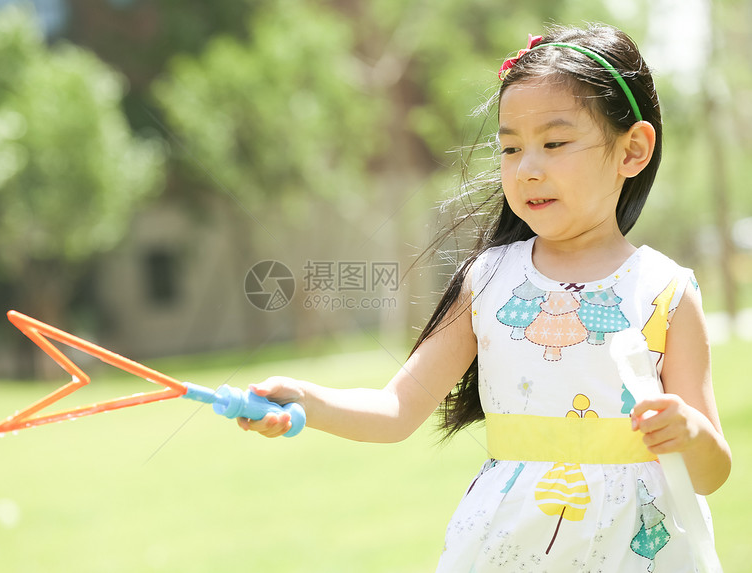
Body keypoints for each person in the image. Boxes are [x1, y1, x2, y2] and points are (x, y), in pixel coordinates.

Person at [239, 24, 731, 571]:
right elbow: (396, 410)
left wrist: (688, 432)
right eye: (511, 147)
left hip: (638, 550)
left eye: (555, 142)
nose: (528, 168)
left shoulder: (666, 291)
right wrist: (305, 400)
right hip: (512, 544)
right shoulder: (489, 280)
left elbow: (711, 473)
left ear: (632, 150)